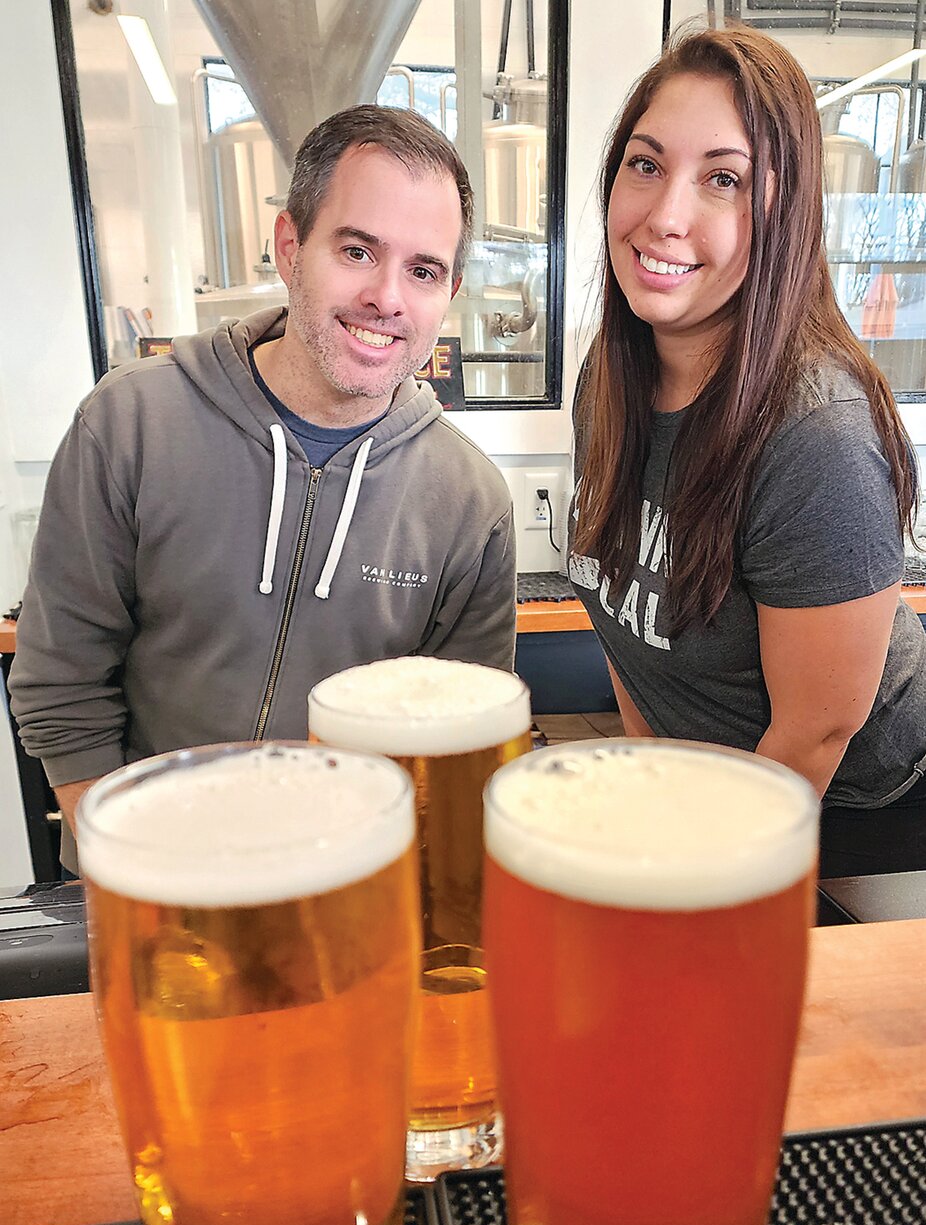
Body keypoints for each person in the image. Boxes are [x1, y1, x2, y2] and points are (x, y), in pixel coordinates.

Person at [10, 106, 516, 876]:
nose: (388, 297)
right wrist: (149, 878)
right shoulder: (129, 423)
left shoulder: (470, 503)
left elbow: (462, 746)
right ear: (290, 247)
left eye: (424, 270)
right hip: (149, 887)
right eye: (356, 250)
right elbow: (61, 689)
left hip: (346, 902)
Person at [569, 25, 926, 879]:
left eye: (723, 180)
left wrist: (696, 880)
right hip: (708, 793)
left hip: (855, 817)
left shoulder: (817, 437)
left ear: (784, 214)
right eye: (646, 165)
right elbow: (633, 635)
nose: (665, 216)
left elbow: (816, 735)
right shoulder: (610, 381)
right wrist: (655, 790)